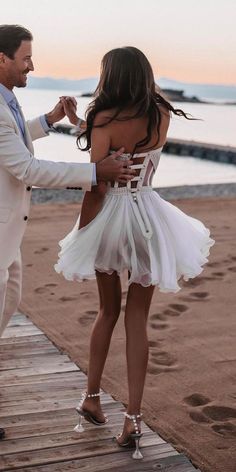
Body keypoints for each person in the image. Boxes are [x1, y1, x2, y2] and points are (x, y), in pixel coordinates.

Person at [55, 46, 215, 459]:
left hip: (111, 219)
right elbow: (130, 150)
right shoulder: (160, 112)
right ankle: (134, 418)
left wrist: (84, 234)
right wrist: (79, 124)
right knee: (137, 319)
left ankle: (91, 399)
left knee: (107, 312)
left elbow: (98, 181)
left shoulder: (102, 118)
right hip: (148, 216)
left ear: (110, 76)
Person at [0, 25, 135, 441]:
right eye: (25, 59)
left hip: (10, 231)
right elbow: (25, 167)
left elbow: (16, 140)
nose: (32, 66)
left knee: (9, 301)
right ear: (1, 59)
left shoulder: (8, 100)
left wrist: (50, 121)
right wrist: (94, 172)